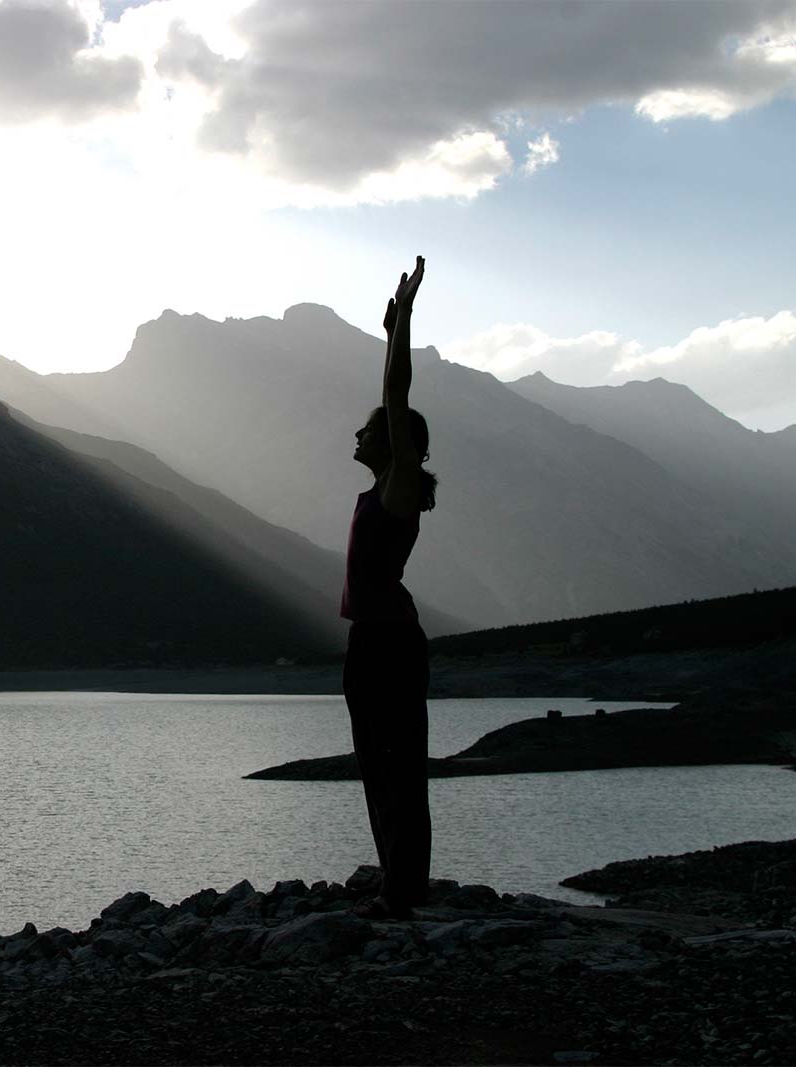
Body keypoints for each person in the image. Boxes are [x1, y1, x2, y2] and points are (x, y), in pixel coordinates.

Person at [341, 255, 438, 921]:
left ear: (398, 445)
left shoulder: (400, 489)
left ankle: (403, 891)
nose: (358, 431)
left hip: (391, 644)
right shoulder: (379, 490)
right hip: (368, 641)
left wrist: (399, 324)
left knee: (398, 765)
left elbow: (397, 396)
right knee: (378, 765)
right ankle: (394, 883)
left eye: (369, 428)